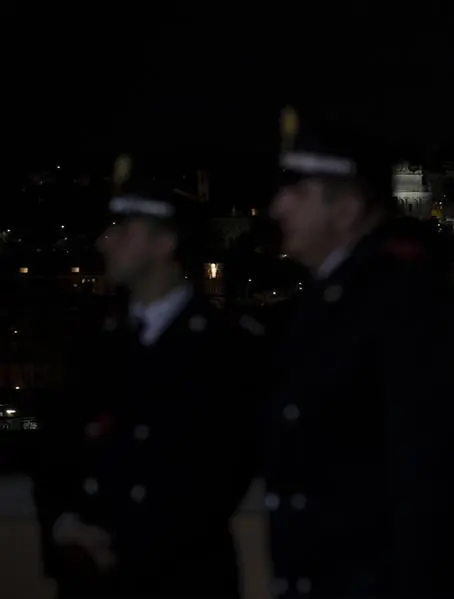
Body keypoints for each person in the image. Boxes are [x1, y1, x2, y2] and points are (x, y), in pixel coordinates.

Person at [261, 106, 454, 599]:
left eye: (297, 193)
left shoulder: (399, 301)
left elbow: (426, 479)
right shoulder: (335, 297)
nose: (278, 208)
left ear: (347, 207)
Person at [31, 155, 263, 599]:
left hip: (180, 582)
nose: (105, 243)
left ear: (164, 244)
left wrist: (116, 541)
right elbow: (54, 452)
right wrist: (65, 526)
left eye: (124, 232)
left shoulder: (225, 348)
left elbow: (217, 479)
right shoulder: (94, 340)